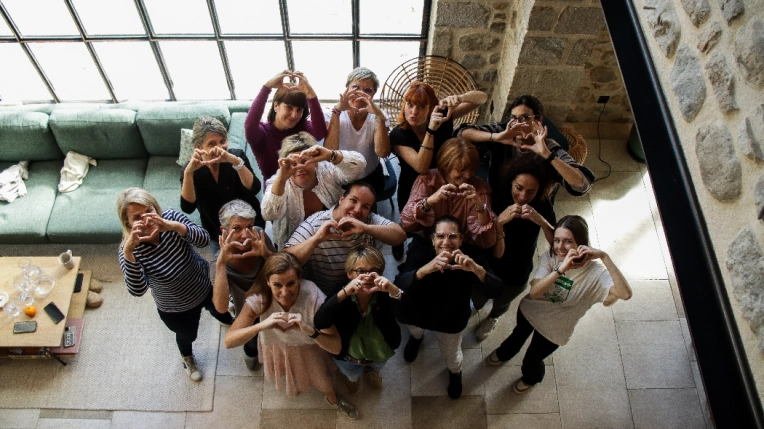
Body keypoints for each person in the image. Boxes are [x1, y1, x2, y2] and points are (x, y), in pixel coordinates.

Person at [486, 215, 632, 394]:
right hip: (531, 312)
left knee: (532, 359)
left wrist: (604, 256)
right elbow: (535, 292)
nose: (560, 247)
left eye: (568, 241)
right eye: (557, 240)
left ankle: (531, 378)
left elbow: (625, 294)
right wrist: (560, 269)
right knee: (517, 335)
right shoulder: (550, 256)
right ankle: (504, 353)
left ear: (581, 243)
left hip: (555, 329)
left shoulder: (596, 273)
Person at [117, 187, 233, 382]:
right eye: (137, 218)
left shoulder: (170, 217)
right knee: (187, 334)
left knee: (218, 308)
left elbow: (204, 240)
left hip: (204, 282)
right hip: (175, 305)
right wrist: (129, 253)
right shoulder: (128, 251)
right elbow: (138, 290)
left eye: (149, 211)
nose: (146, 219)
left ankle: (222, 318)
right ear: (128, 223)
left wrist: (174, 227)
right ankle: (187, 357)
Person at [223, 252, 358, 419]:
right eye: (277, 285)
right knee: (289, 373)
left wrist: (309, 330)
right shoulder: (259, 299)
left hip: (308, 347)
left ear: (299, 279)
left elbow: (336, 346)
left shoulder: (313, 296)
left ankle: (333, 398)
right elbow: (229, 341)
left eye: (291, 284)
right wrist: (263, 324)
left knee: (324, 381)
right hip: (276, 346)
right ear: (267, 283)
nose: (285, 293)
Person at [395, 215, 502, 399]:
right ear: (433, 239)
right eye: (440, 236)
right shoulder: (420, 248)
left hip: (451, 321)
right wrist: (425, 270)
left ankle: (455, 373)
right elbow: (399, 285)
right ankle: (416, 339)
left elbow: (496, 290)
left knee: (452, 356)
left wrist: (476, 269)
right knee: (415, 331)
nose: (446, 242)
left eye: (452, 236)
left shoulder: (470, 254)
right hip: (417, 314)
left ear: (461, 239)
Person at [389, 81, 487, 259]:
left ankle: (430, 244)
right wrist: (431, 130)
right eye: (409, 105)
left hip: (444, 178)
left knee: (435, 217)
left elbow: (482, 98)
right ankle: (400, 242)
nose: (414, 112)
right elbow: (421, 166)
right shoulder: (398, 134)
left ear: (431, 108)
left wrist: (459, 98)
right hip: (412, 183)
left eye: (421, 106)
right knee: (409, 220)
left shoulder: (443, 117)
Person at [473, 153, 557, 341]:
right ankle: (477, 307)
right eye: (519, 188)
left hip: (517, 269)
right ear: (511, 181)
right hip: (488, 262)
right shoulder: (496, 196)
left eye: (531, 192)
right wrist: (499, 223)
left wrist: (541, 221)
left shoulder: (542, 204)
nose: (522, 196)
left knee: (503, 301)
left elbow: (556, 242)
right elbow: (480, 232)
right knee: (478, 296)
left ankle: (493, 317)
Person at [455, 95, 594, 200]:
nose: (518, 123)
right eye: (514, 118)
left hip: (531, 203)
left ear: (538, 120)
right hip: (497, 195)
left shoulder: (549, 147)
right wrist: (496, 137)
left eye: (525, 118)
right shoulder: (504, 131)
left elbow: (582, 185)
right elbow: (461, 134)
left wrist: (547, 155)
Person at [314, 245, 411, 393]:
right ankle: (353, 379)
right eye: (360, 271)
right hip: (348, 356)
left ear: (381, 273)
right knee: (351, 373)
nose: (367, 277)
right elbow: (320, 322)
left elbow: (410, 316)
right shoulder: (340, 292)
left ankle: (372, 373)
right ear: (349, 274)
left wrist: (395, 291)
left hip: (380, 352)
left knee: (377, 367)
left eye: (374, 271)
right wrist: (344, 293)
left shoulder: (386, 293)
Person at [284, 181, 407, 296]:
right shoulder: (314, 224)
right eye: (353, 200)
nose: (358, 210)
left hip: (362, 288)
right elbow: (284, 260)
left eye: (365, 206)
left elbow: (400, 236)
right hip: (327, 293)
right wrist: (316, 239)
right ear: (341, 199)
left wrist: (366, 228)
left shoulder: (368, 220)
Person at [400, 138, 496, 268]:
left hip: (462, 246)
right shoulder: (427, 180)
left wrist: (480, 206)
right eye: (461, 169)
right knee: (409, 276)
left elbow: (486, 241)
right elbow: (407, 222)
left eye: (472, 169)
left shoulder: (480, 188)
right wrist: (430, 201)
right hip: (428, 242)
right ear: (445, 166)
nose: (468, 175)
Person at [261, 132, 366, 249]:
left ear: (316, 161)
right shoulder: (278, 180)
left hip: (334, 242)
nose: (299, 167)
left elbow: (360, 165)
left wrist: (331, 155)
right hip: (295, 245)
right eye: (293, 163)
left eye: (304, 161)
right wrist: (281, 178)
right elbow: (269, 214)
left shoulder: (326, 170)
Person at [180, 116, 263, 258]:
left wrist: (235, 162)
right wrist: (189, 173)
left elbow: (254, 188)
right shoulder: (190, 170)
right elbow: (188, 207)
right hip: (217, 230)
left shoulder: (237, 156)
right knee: (225, 265)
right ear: (198, 147)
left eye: (222, 141)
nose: (219, 148)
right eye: (212, 144)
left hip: (248, 223)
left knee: (257, 258)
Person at [212, 200, 275, 370]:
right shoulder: (217, 262)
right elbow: (221, 307)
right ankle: (251, 354)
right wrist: (221, 265)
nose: (245, 234)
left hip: (271, 298)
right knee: (251, 338)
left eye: (249, 226)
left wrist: (266, 254)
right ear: (223, 231)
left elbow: (279, 267)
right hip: (245, 309)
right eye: (237, 228)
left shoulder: (258, 235)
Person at [245, 70, 327, 185]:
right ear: (276, 105)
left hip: (305, 187)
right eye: (289, 107)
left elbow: (320, 133)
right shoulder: (263, 134)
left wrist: (310, 94)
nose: (294, 115)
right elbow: (249, 127)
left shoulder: (303, 127)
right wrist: (267, 87)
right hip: (276, 190)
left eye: (299, 110)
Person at [324, 67, 391, 199]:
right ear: (347, 88)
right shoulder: (331, 114)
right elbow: (329, 151)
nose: (361, 93)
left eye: (367, 90)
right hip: (339, 176)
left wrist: (380, 118)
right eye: (355, 87)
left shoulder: (379, 116)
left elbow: (382, 152)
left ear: (373, 94)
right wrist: (337, 112)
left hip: (369, 176)